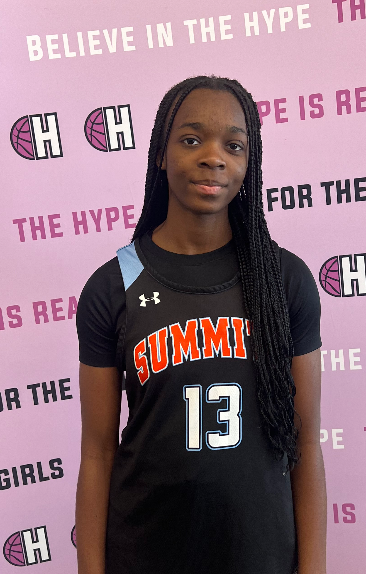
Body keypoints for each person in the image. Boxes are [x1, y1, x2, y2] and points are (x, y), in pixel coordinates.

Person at [75, 75, 326, 574]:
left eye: (234, 145)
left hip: (260, 555)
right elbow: (98, 454)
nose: (214, 157)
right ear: (160, 154)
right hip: (145, 552)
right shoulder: (114, 284)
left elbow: (305, 442)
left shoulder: (283, 280)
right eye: (191, 140)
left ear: (249, 162)